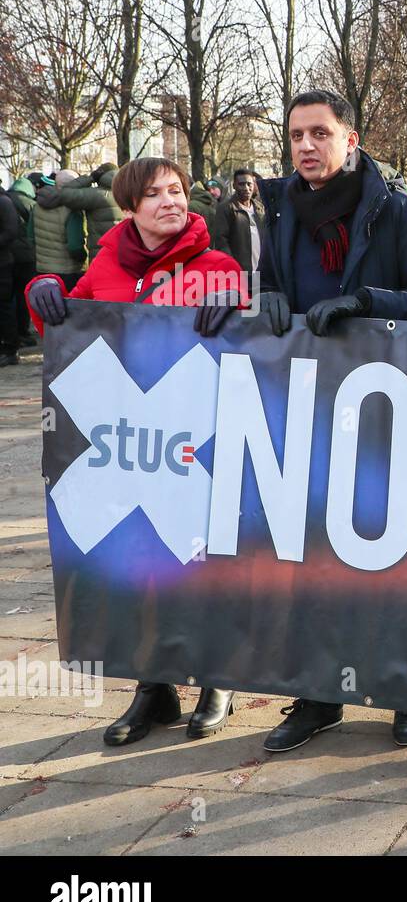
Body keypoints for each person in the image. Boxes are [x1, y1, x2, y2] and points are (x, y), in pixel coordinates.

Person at [254, 88, 407, 753]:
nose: (305, 146)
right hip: (311, 411)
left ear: (351, 140)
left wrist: (365, 302)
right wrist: (272, 301)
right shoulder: (280, 206)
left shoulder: (402, 212)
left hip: (390, 410)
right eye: (295, 135)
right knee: (313, 558)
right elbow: (268, 280)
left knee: (394, 554)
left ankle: (405, 688)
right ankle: (319, 696)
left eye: (319, 133)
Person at [25, 157, 247, 743]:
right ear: (130, 207)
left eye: (177, 191)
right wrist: (42, 288)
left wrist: (241, 309)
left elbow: (254, 351)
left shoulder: (217, 266)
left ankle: (215, 680)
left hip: (197, 442)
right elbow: (65, 318)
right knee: (141, 567)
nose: (172, 202)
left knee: (201, 563)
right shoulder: (105, 266)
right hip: (130, 447)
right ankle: (154, 690)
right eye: (155, 195)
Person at [42, 163, 123, 262]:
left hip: (101, 256)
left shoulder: (96, 195)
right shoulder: (129, 193)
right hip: (126, 254)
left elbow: (65, 193)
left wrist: (90, 178)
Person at [32, 171, 87, 291]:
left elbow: (31, 236)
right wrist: (84, 259)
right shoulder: (72, 209)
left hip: (42, 271)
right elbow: (75, 246)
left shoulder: (36, 207)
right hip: (68, 272)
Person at [210, 169, 265, 276]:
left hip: (261, 270)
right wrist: (232, 267)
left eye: (249, 184)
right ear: (234, 185)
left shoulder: (260, 208)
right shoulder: (226, 208)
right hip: (240, 272)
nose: (246, 188)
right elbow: (221, 241)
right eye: (241, 184)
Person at [6, 176, 37, 350]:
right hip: (26, 256)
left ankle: (12, 332)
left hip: (7, 254)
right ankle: (23, 330)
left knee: (9, 296)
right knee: (23, 294)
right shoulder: (29, 203)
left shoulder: (6, 200)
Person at [0, 188, 22, 366]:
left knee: (4, 306)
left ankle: (10, 349)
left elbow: (10, 232)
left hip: (2, 263)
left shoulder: (4, 202)